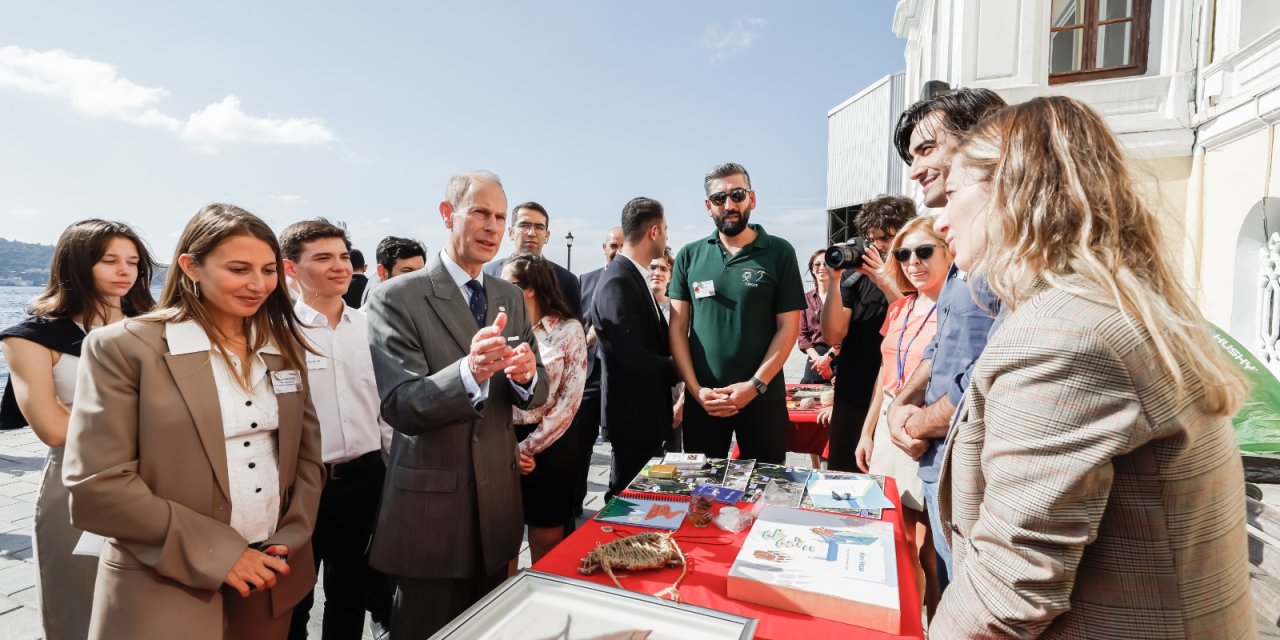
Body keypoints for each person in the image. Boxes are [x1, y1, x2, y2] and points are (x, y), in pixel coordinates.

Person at [930, 96, 1254, 638]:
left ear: (1009, 191)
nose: (940, 219)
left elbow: (1007, 588)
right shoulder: (1105, 308)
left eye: (953, 192)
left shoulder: (1062, 336)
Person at [62, 203, 323, 640]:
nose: (258, 284)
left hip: (271, 572)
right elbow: (96, 484)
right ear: (190, 267)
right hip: (161, 578)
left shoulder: (282, 346)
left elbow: (306, 457)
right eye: (239, 269)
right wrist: (222, 554)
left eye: (267, 270)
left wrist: (293, 534)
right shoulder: (123, 348)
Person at [364, 170, 547, 638]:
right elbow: (401, 406)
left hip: (499, 506)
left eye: (500, 216)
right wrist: (471, 372)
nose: (492, 226)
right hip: (431, 514)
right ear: (447, 215)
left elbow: (537, 389)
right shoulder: (396, 296)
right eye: (480, 212)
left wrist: (527, 376)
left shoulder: (508, 294)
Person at [0, 219, 156, 640]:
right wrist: (149, 421)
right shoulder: (30, 337)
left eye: (134, 262)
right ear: (76, 266)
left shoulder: (156, 326)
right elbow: (51, 429)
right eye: (110, 261)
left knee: (154, 612)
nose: (126, 271)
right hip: (75, 485)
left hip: (159, 483)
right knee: (76, 610)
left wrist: (86, 417)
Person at [884, 87, 1006, 588]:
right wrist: (901, 405)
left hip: (978, 473)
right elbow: (940, 349)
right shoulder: (965, 255)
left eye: (926, 150)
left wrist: (920, 422)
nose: (914, 171)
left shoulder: (1005, 250)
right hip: (940, 464)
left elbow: (989, 374)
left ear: (983, 142)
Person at [279, 220, 387, 640]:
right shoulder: (274, 330)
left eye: (343, 256)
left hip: (364, 478)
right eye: (323, 258)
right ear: (291, 268)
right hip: (297, 485)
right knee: (293, 600)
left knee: (351, 593)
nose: (339, 266)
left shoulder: (371, 328)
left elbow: (384, 408)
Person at [849, 215, 951, 617]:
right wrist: (867, 430)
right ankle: (907, 622)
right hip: (891, 428)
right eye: (904, 254)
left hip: (931, 430)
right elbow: (885, 374)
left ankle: (938, 623)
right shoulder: (900, 309)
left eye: (924, 251)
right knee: (897, 542)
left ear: (947, 253)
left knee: (933, 551)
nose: (913, 261)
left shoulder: (959, 309)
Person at [669, 163, 805, 463]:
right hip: (705, 402)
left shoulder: (780, 252)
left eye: (737, 195)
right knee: (702, 494)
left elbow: (788, 328)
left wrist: (755, 385)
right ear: (708, 206)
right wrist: (695, 390)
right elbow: (677, 329)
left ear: (752, 199)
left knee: (764, 494)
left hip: (762, 399)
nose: (729, 205)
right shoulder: (689, 255)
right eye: (719, 198)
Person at [499, 254, 586, 562]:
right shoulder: (498, 330)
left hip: (552, 446)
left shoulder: (569, 331)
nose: (497, 289)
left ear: (531, 288)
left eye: (506, 284)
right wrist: (510, 449)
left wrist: (529, 448)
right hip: (503, 444)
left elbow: (569, 400)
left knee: (547, 540)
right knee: (502, 541)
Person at [592, 198, 681, 499]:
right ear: (654, 232)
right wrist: (680, 370)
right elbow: (632, 356)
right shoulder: (618, 281)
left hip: (644, 417)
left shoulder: (632, 277)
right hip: (633, 419)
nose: (667, 237)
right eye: (666, 230)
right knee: (626, 500)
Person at [820, 195, 914, 472]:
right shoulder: (854, 279)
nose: (879, 247)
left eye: (886, 238)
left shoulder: (918, 271)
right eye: (873, 239)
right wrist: (835, 282)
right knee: (843, 481)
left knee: (892, 485)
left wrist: (884, 280)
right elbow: (833, 335)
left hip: (899, 397)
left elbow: (916, 323)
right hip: (853, 394)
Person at [567, 225, 623, 520]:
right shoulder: (584, 281)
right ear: (604, 248)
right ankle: (575, 503)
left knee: (621, 445)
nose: (618, 250)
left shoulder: (637, 281)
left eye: (623, 245)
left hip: (621, 378)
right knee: (580, 444)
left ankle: (615, 505)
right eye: (613, 245)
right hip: (588, 378)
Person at [484, 201, 583, 318]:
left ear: (547, 235)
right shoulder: (488, 274)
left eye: (539, 227)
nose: (532, 233)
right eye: (524, 225)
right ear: (511, 232)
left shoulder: (567, 281)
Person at [648, 247, 686, 453]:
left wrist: (682, 401)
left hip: (673, 392)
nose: (657, 273)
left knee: (672, 453)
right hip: (643, 392)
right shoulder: (635, 305)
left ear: (670, 275)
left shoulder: (678, 310)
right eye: (653, 267)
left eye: (664, 268)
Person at [797, 249, 835, 384]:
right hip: (815, 356)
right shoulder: (805, 300)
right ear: (812, 269)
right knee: (808, 394)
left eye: (826, 264)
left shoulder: (845, 297)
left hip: (839, 354)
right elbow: (802, 336)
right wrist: (819, 361)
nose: (822, 268)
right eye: (817, 264)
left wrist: (828, 358)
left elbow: (850, 333)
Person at [359, 236, 426, 306]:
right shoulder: (367, 315)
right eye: (407, 271)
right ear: (382, 272)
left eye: (421, 272)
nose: (418, 278)